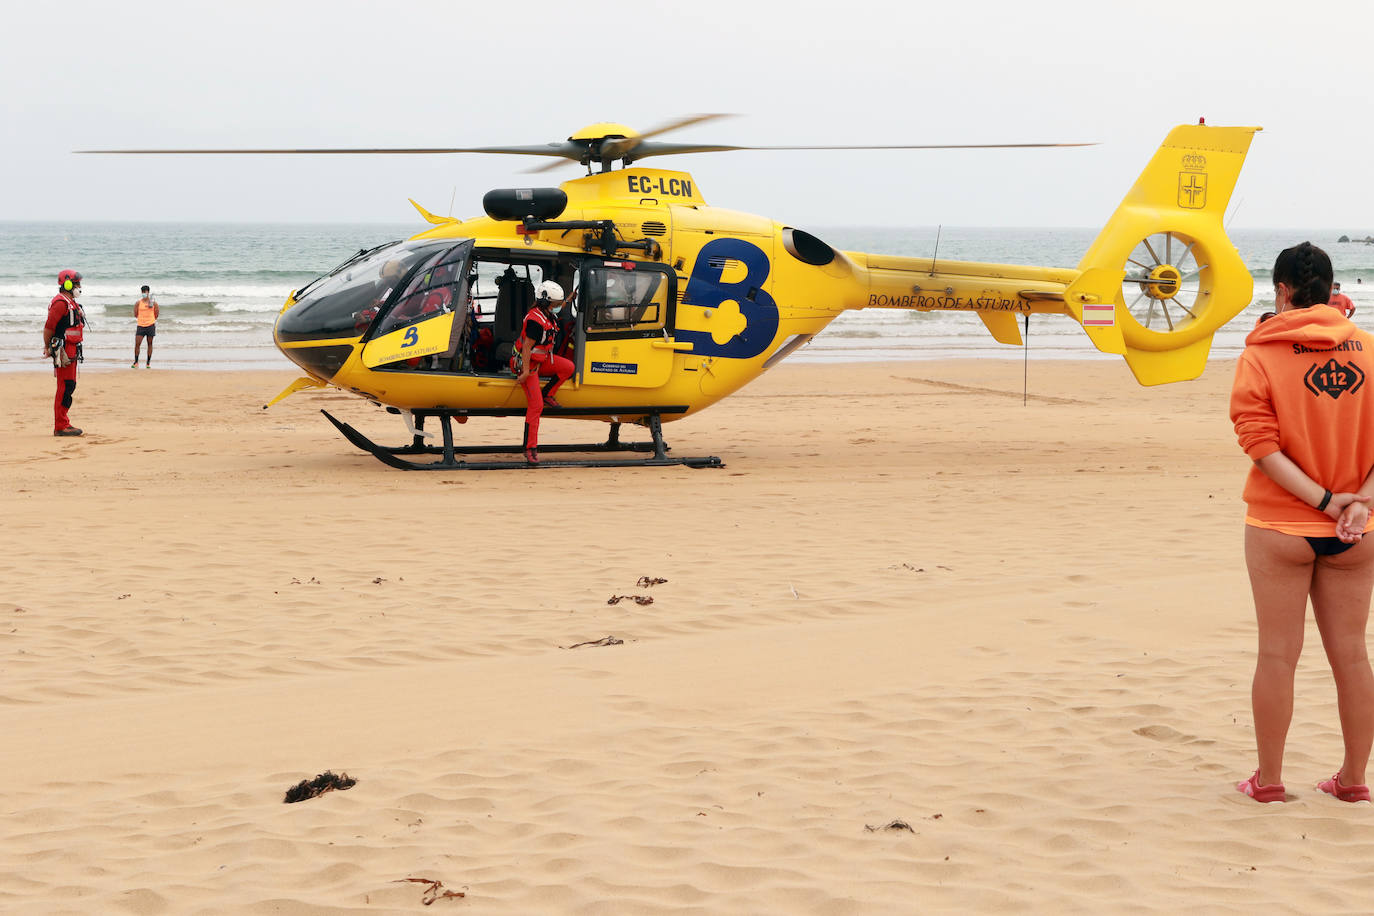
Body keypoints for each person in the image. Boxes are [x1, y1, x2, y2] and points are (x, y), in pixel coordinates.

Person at [1230, 241, 1374, 803]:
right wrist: (1358, 502)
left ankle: (1268, 782)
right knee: (1353, 654)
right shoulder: (1367, 348)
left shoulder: (1261, 355)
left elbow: (1262, 448)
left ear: (1282, 290)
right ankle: (1354, 780)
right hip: (1356, 529)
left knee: (1277, 655)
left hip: (1283, 526)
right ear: (1333, 288)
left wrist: (1324, 501)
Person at [513, 279, 574, 464]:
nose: (557, 307)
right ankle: (530, 447)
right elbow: (526, 348)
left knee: (568, 368)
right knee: (536, 406)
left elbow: (560, 305)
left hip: (542, 360)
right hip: (527, 363)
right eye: (555, 304)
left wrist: (570, 299)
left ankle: (548, 393)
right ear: (546, 302)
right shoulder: (535, 321)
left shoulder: (547, 313)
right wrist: (524, 372)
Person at [42, 269, 87, 437]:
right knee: (64, 386)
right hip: (63, 351)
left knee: (70, 385)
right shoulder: (60, 303)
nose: (80, 287)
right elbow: (49, 327)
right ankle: (60, 426)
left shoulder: (70, 302)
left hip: (72, 350)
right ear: (67, 284)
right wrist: (47, 348)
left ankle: (64, 422)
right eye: (77, 284)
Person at [132, 284, 159, 367]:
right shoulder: (138, 303)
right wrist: (142, 319)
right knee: (137, 344)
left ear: (148, 292)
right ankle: (136, 362)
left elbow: (156, 314)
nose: (144, 293)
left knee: (150, 344)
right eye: (142, 292)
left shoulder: (153, 303)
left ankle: (148, 363)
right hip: (140, 325)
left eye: (145, 292)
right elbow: (135, 314)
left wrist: (150, 320)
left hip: (150, 325)